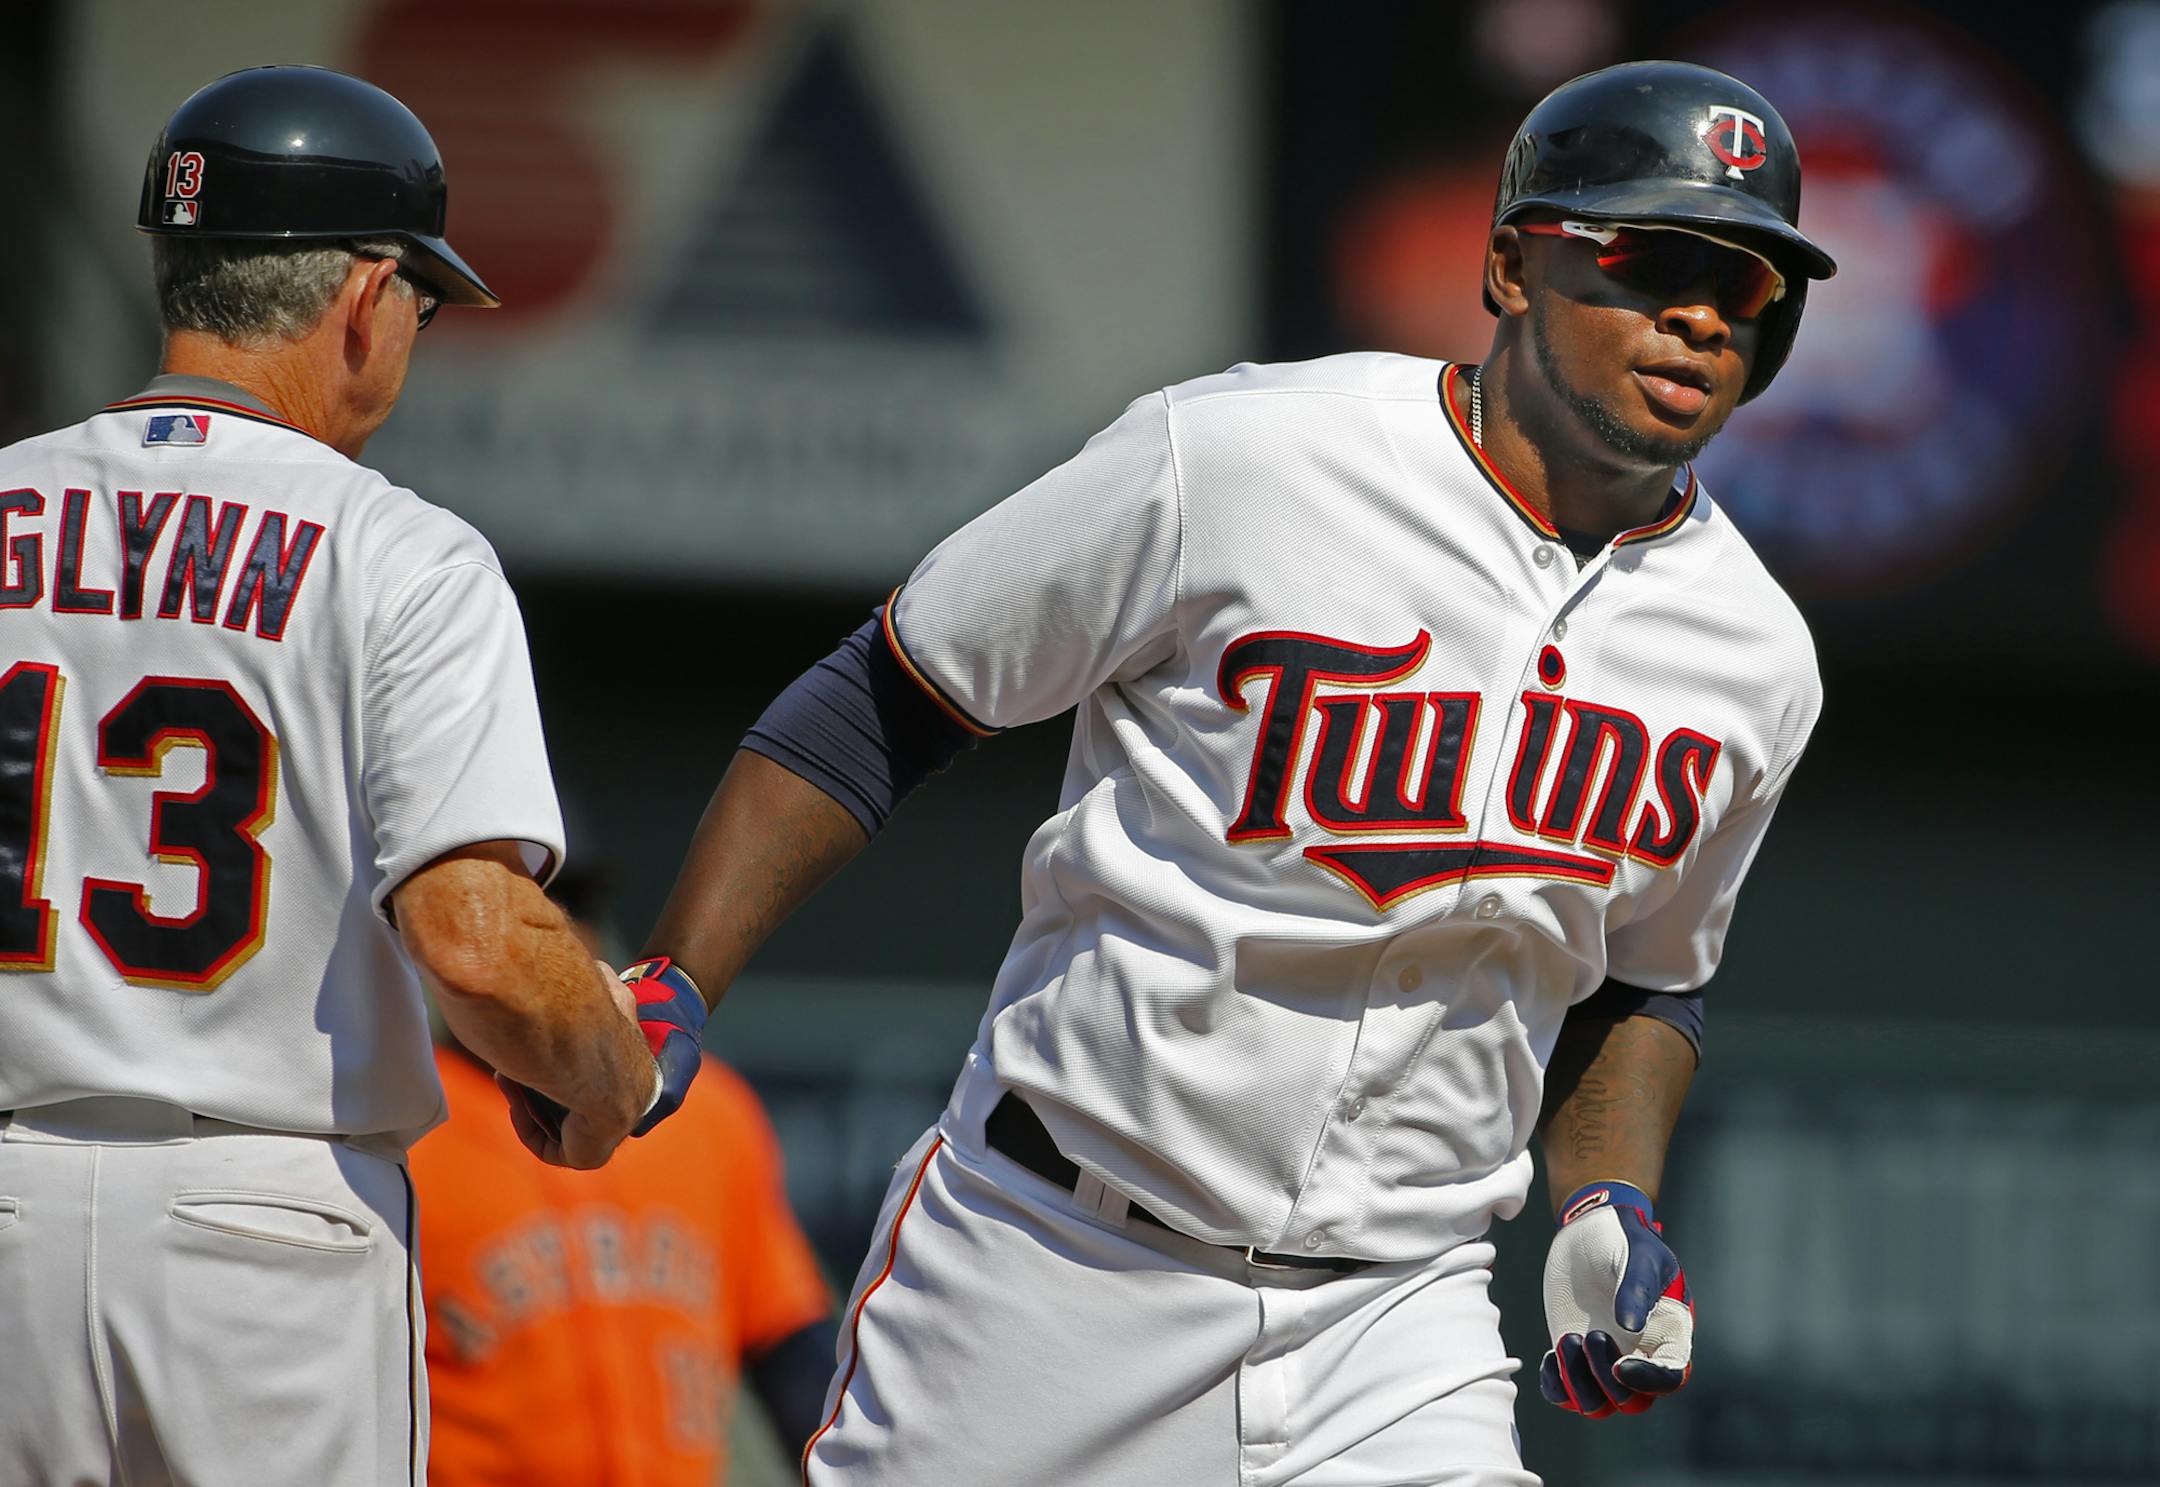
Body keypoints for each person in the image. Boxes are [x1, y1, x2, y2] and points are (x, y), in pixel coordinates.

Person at [640, 60, 1834, 1485]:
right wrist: (676, 977)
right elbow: (891, 691)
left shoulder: (1755, 652)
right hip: (1053, 1260)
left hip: (1394, 1321)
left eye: (1750, 282)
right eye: (1651, 255)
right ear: (1514, 266)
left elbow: (1646, 972)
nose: (1700, 311)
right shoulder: (1240, 456)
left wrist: (1611, 1197)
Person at [0, 66, 695, 1487]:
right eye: (423, 305)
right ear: (368, 296)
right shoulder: (401, 553)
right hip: (265, 1226)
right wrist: (610, 1063)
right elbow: (476, 944)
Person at [414, 866, 837, 1486]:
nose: (558, 931)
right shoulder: (401, 1115)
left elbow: (787, 1344)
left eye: (574, 904)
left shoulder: (708, 1110)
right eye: (525, 902)